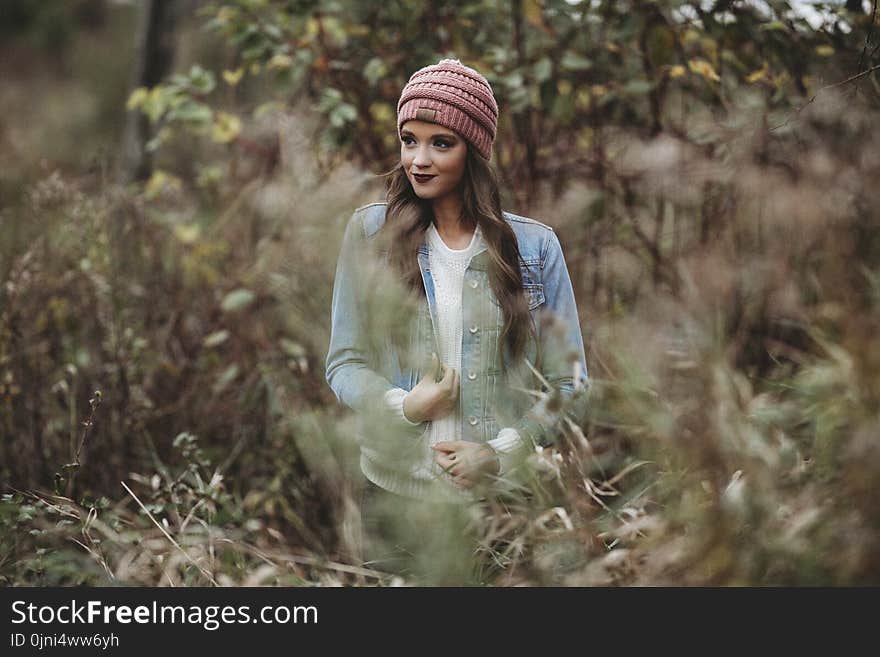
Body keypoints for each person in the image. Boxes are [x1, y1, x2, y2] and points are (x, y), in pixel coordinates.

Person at [325, 58, 589, 581]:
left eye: (440, 142)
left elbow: (571, 383)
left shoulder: (533, 248)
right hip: (392, 495)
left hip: (495, 507)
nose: (418, 160)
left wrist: (501, 452)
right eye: (408, 139)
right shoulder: (370, 234)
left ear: (475, 150)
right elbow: (344, 362)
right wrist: (402, 405)